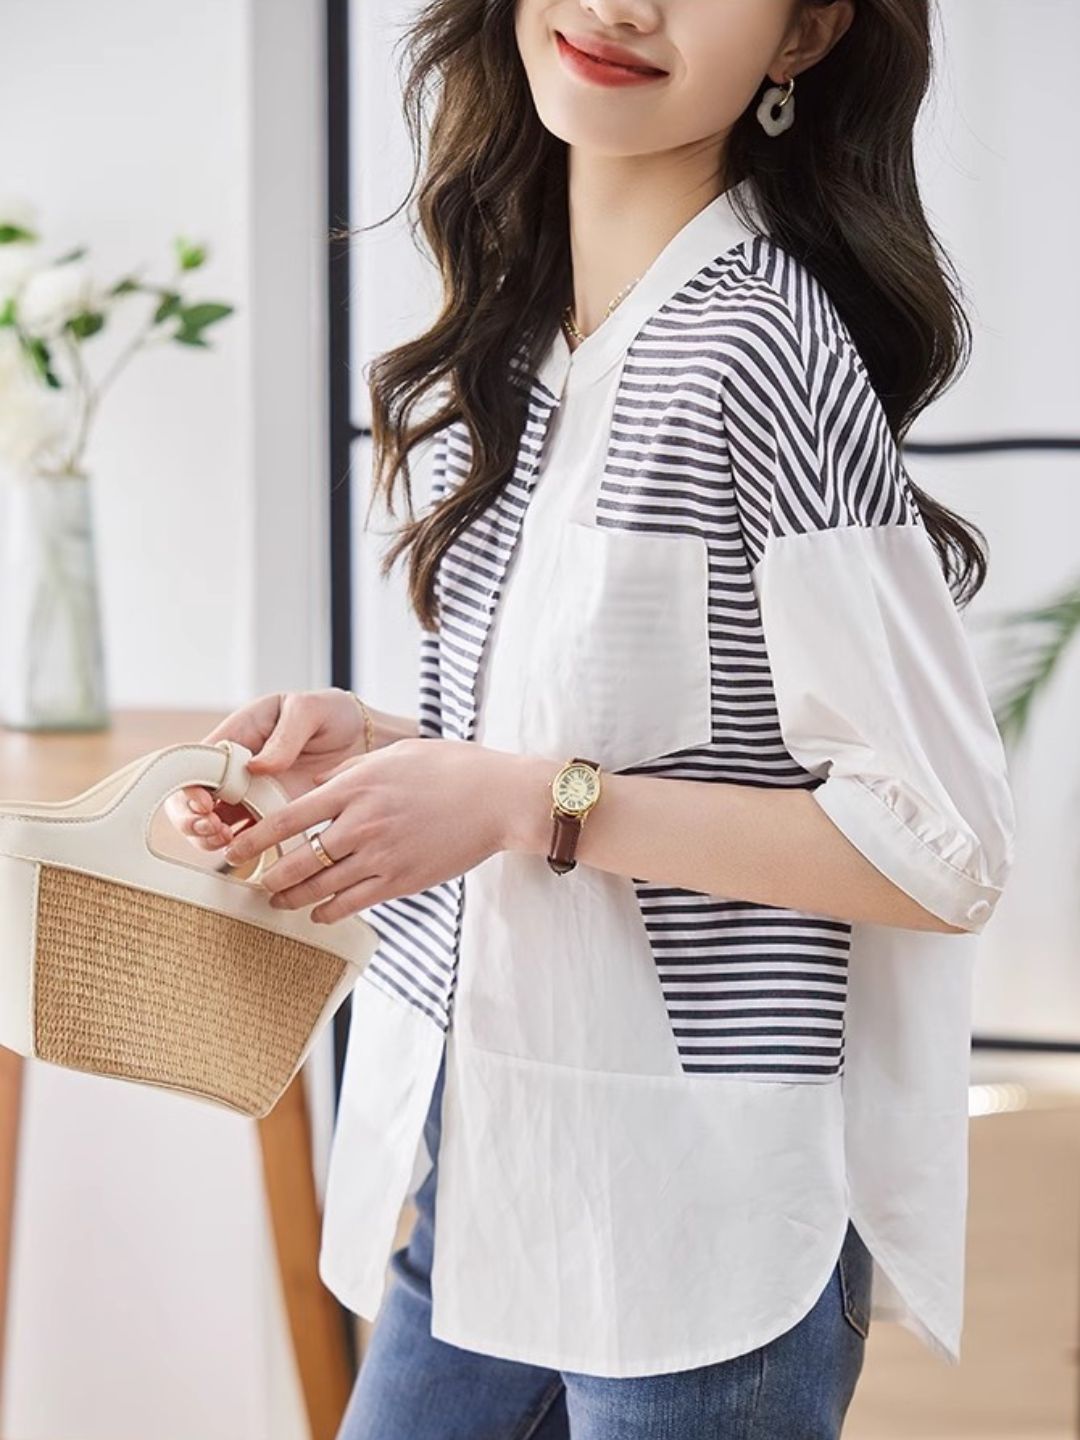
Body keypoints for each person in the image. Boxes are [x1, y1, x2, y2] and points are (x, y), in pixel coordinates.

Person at [169, 0, 1017, 1434]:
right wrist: (377, 761)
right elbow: (613, 745)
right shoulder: (532, 338)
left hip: (694, 1221)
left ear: (803, 38)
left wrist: (518, 799)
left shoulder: (759, 348)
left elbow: (941, 850)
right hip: (491, 1165)